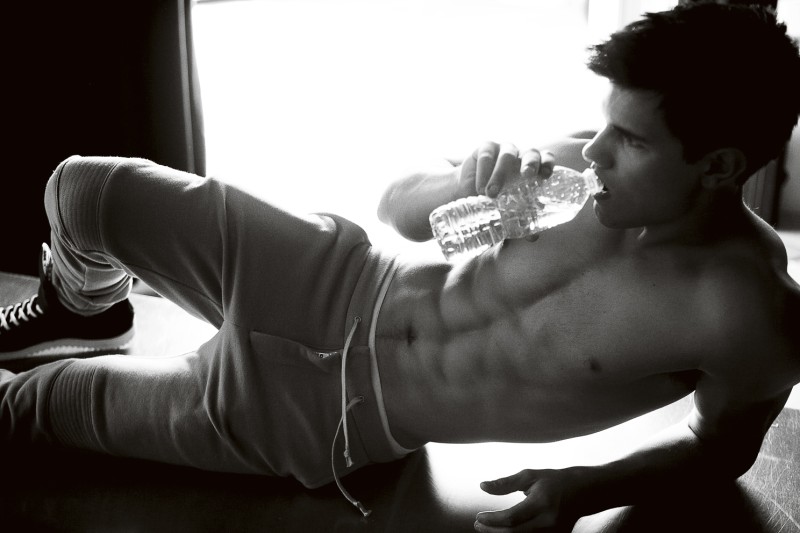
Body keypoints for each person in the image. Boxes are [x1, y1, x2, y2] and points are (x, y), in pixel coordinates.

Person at [1, 2, 799, 530]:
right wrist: (462, 184)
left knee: (31, 406)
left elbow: (720, 448)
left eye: (630, 140)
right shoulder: (577, 170)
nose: (594, 150)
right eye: (604, 124)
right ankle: (85, 307)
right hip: (332, 275)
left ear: (719, 166)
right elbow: (400, 209)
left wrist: (585, 487)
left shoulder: (749, 311)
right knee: (83, 190)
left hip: (334, 415)